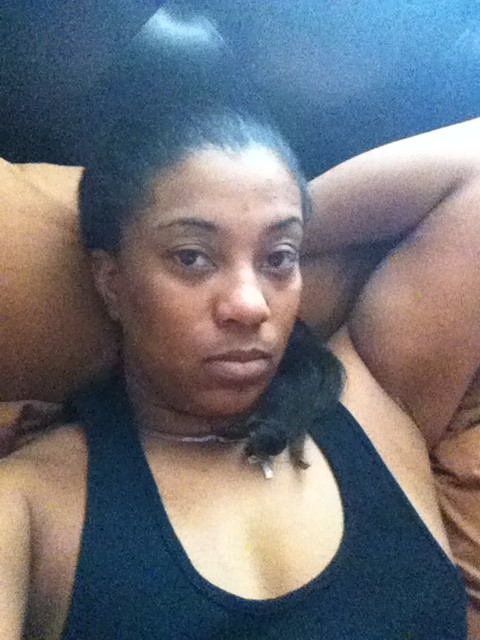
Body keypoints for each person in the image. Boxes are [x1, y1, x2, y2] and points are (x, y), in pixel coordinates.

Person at [1, 100, 478, 639]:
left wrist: (286, 221)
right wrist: (263, 237)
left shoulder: (376, 400)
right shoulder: (26, 512)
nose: (251, 306)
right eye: (191, 257)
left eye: (279, 259)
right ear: (112, 282)